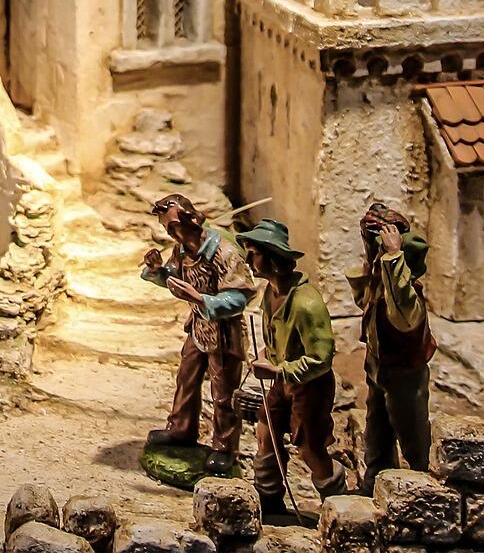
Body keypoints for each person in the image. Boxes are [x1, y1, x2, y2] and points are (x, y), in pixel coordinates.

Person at [240, 218, 347, 517]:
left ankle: (339, 505)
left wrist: (278, 371)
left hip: (309, 386)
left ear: (273, 256)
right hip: (282, 382)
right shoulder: (270, 293)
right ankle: (269, 500)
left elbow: (321, 358)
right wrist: (266, 356)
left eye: (253, 254)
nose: (247, 260)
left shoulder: (306, 303)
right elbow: (277, 339)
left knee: (310, 448)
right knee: (266, 430)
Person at [140, 193, 253, 474]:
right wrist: (157, 271)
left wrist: (202, 300)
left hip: (224, 332)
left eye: (173, 227)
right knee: (187, 378)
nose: (170, 233)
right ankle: (181, 428)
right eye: (167, 228)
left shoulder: (224, 252)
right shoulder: (182, 251)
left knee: (223, 392)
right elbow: (174, 277)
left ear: (190, 221)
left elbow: (239, 297)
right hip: (198, 327)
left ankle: (224, 446)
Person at [348, 202, 436, 492]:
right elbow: (365, 299)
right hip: (379, 368)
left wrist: (393, 256)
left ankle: (423, 489)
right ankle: (375, 483)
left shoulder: (406, 299)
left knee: (413, 437)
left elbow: (399, 301)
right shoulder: (380, 287)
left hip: (404, 375)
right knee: (377, 434)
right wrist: (371, 261)